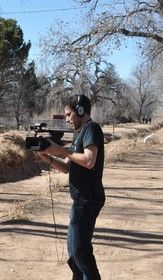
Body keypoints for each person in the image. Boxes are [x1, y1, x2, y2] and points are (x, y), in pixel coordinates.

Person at [38, 94, 105, 280]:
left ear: (81, 111)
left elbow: (89, 161)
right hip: (80, 200)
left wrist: (61, 150)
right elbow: (67, 167)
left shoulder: (91, 128)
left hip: (88, 198)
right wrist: (46, 156)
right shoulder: (79, 134)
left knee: (80, 250)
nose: (67, 119)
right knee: (73, 252)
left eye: (69, 114)